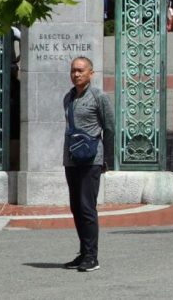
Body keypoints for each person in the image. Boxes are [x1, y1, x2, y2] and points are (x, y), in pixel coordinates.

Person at [62, 56, 114, 272]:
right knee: (76, 207)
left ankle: (92, 257)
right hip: (71, 160)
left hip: (92, 159)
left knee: (86, 207)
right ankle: (83, 252)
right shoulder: (68, 97)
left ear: (91, 73)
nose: (76, 74)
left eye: (81, 71)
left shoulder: (98, 96)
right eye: (74, 70)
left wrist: (107, 159)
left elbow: (109, 127)